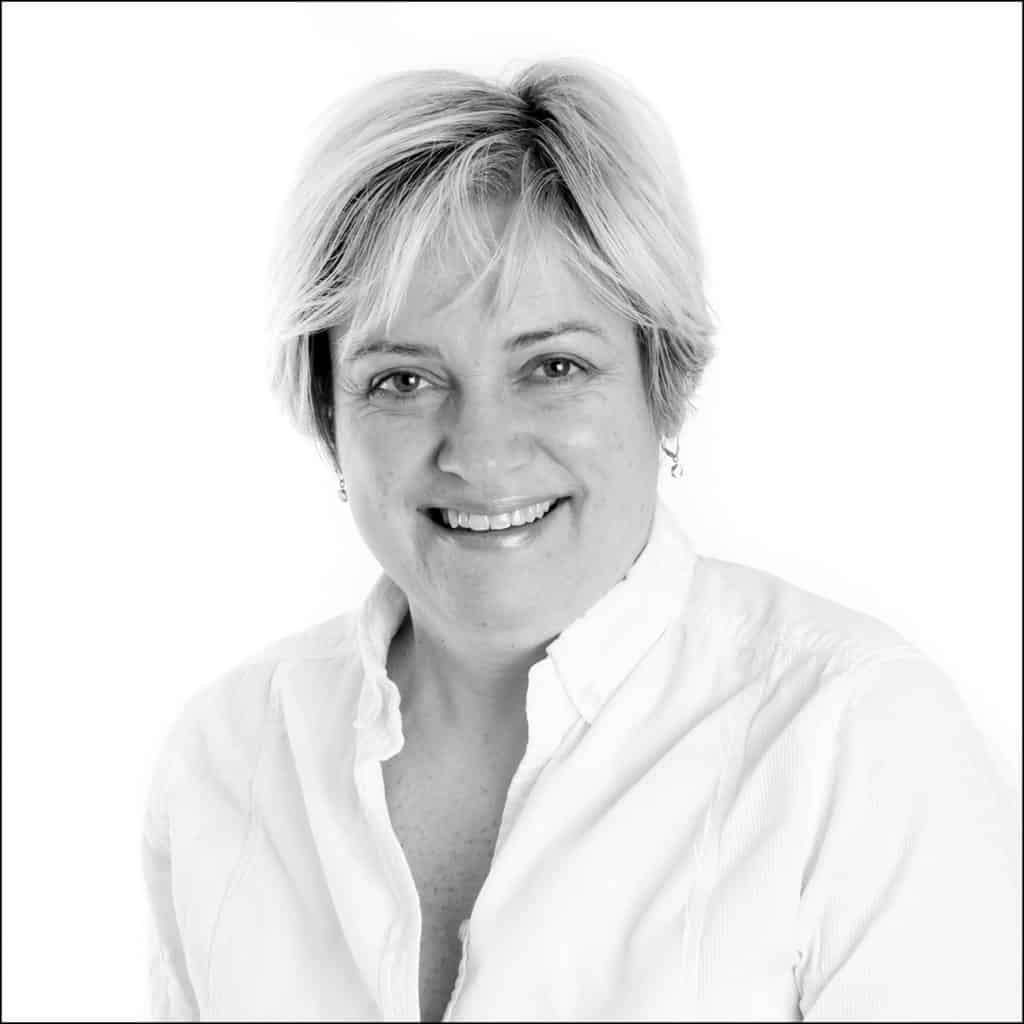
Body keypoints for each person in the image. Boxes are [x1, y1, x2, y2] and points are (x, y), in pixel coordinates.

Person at [141, 58, 1021, 1022]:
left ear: (663, 384)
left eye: (553, 366)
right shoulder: (230, 757)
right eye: (404, 380)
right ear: (328, 418)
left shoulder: (855, 741)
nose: (481, 452)